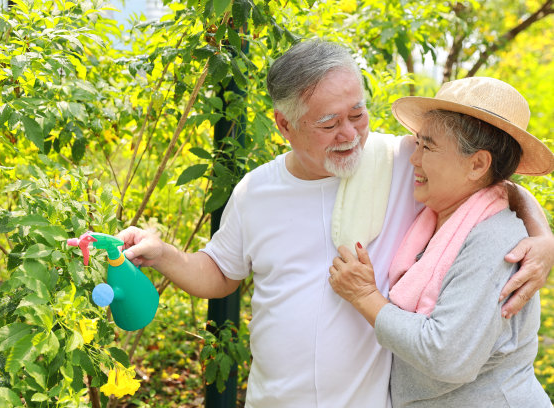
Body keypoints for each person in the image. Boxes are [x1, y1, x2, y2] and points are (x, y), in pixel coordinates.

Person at [117, 40, 554, 407]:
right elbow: (219, 272)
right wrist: (164, 255)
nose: (349, 134)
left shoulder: (403, 161)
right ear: (285, 124)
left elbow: (491, 183)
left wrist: (544, 237)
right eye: (328, 122)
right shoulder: (256, 192)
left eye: (357, 114)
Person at [329, 76, 554, 407]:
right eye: (417, 143)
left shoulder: (497, 239)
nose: (413, 159)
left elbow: (448, 356)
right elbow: (509, 188)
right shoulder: (440, 209)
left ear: (477, 164)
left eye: (428, 146)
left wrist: (365, 297)